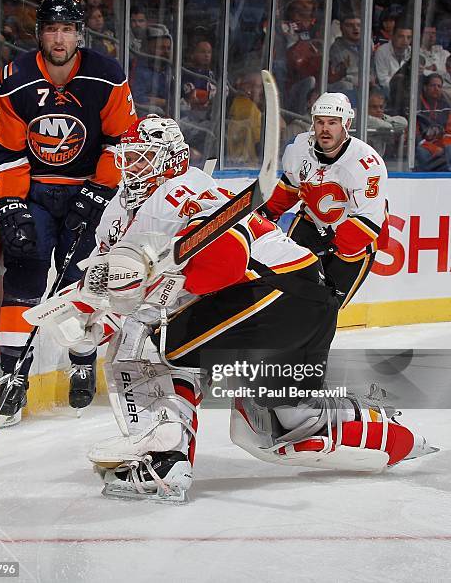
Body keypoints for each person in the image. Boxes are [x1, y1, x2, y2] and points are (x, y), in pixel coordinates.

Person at [26, 114, 434, 501]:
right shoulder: (119, 209)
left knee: (154, 344)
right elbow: (113, 279)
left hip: (285, 293)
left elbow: (226, 262)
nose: (131, 167)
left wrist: (152, 282)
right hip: (276, 301)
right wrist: (89, 314)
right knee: (277, 427)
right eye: (126, 158)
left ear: (168, 159)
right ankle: (386, 432)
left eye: (141, 158)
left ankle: (164, 462)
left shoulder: (185, 190)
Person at [0, 0, 137, 426]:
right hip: (36, 191)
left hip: (88, 192)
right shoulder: (13, 78)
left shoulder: (106, 75)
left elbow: (121, 141)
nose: (59, 38)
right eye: (52, 29)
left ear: (79, 34)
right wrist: (11, 203)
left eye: (68, 29)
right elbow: (10, 150)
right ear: (40, 33)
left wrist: (98, 193)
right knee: (25, 274)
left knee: (83, 282)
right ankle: (12, 376)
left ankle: (81, 359)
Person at [263, 92, 389, 309]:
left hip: (355, 243)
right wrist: (266, 214)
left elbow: (368, 222)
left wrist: (332, 246)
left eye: (333, 122)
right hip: (312, 224)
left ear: (346, 123)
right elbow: (290, 187)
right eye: (320, 122)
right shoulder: (299, 149)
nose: (325, 129)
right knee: (284, 290)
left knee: (327, 307)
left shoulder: (367, 164)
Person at [374, 20, 412, 94]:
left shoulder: (412, 52)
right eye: (401, 36)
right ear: (392, 36)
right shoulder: (382, 51)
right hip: (387, 91)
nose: (405, 41)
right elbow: (382, 80)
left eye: (409, 37)